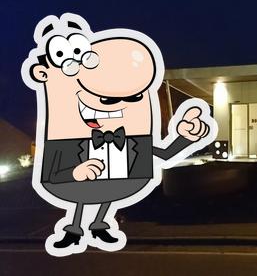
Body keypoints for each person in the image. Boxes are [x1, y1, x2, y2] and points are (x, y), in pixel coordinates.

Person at [21, 13, 217, 257]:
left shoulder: (133, 139)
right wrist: (75, 171)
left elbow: (164, 154)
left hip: (117, 184)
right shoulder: (65, 140)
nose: (115, 105)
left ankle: (100, 224)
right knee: (83, 196)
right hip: (79, 185)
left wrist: (185, 137)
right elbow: (52, 175)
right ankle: (74, 229)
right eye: (106, 99)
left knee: (105, 194)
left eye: (134, 97)